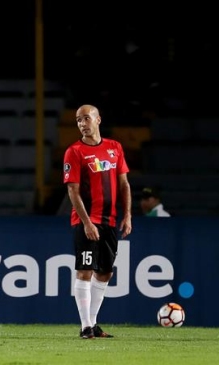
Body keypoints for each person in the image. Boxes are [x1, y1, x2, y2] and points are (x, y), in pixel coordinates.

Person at [62, 104, 132, 339]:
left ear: (98, 119)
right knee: (85, 270)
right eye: (78, 120)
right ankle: (85, 327)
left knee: (104, 273)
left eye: (86, 118)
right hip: (86, 222)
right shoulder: (74, 151)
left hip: (109, 221)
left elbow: (124, 184)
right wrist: (86, 223)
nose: (82, 124)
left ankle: (93, 323)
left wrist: (128, 214)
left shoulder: (115, 148)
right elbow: (73, 190)